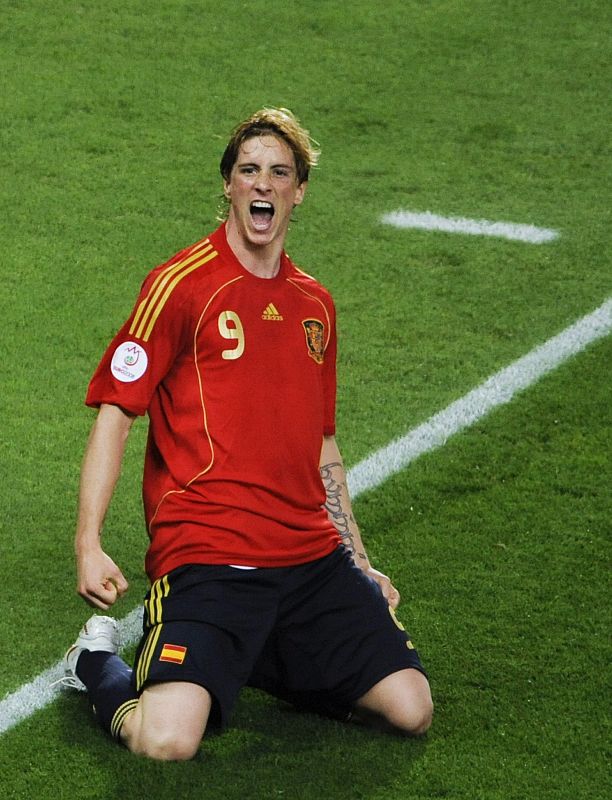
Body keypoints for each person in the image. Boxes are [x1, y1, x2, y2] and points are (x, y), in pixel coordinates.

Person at [64, 107, 433, 760]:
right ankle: (95, 664)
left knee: (411, 709)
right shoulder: (180, 286)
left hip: (309, 561)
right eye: (249, 170)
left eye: (279, 173)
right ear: (230, 187)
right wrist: (88, 542)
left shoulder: (314, 305)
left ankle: (247, 654)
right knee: (166, 741)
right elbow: (117, 413)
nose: (263, 184)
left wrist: (359, 559)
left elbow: (322, 444)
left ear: (298, 192)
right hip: (209, 555)